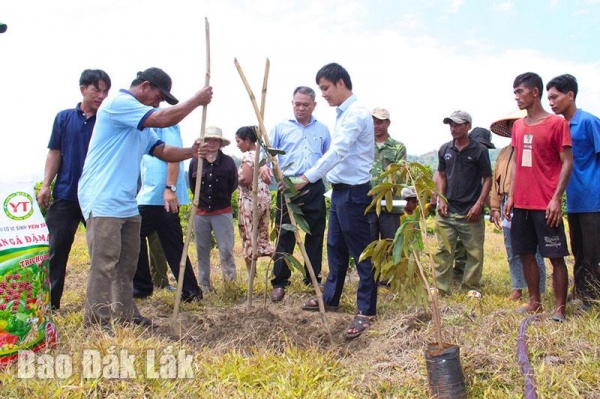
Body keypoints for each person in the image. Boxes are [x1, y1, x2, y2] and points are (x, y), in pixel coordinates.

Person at [78, 67, 213, 330]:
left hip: (127, 201)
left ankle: (126, 314)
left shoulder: (139, 124)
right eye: (158, 96)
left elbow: (162, 150)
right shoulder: (120, 103)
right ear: (145, 85)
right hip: (103, 198)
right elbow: (162, 118)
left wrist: (190, 151)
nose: (158, 102)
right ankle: (97, 323)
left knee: (127, 264)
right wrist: (196, 101)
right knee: (104, 264)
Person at [295, 63, 376, 340]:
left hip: (355, 193)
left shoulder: (356, 114)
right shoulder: (343, 114)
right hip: (340, 192)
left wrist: (306, 177)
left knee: (361, 252)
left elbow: (338, 151)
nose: (324, 95)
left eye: (325, 88)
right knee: (336, 247)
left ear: (341, 83)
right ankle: (330, 298)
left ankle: (366, 310)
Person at [37, 69, 111, 310]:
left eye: (105, 91)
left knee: (103, 252)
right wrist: (46, 185)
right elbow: (55, 152)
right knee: (55, 251)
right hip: (66, 194)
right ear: (83, 89)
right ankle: (50, 304)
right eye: (96, 89)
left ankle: (104, 305)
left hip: (97, 196)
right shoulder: (64, 118)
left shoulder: (107, 120)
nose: (101, 95)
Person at [504, 72, 572, 322]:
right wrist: (511, 196)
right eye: (514, 93)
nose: (516, 97)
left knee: (555, 256)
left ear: (535, 92)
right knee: (525, 253)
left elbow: (567, 162)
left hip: (546, 204)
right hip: (521, 203)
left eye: (520, 91)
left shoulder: (557, 123)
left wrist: (556, 198)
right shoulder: (519, 126)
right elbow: (515, 164)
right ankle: (534, 302)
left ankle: (559, 309)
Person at [269, 86, 331, 302]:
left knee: (315, 233)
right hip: (288, 187)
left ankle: (312, 278)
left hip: (314, 187)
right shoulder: (280, 127)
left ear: (314, 105)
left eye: (306, 104)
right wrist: (269, 171)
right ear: (292, 103)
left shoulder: (322, 129)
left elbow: (328, 158)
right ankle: (279, 281)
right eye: (297, 104)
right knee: (284, 235)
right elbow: (270, 157)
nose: (301, 108)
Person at [546, 73, 600, 312]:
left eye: (555, 97)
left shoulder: (588, 122)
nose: (551, 102)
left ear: (570, 95)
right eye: (548, 98)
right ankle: (581, 290)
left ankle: (589, 298)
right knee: (578, 248)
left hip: (593, 199)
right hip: (574, 200)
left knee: (591, 251)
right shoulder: (559, 127)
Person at [133, 124, 202, 302]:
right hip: (155, 194)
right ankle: (190, 290)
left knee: (133, 233)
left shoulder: (165, 124)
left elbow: (175, 155)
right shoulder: (146, 124)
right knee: (173, 245)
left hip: (158, 195)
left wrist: (170, 188)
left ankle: (142, 286)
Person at [488, 110, 547, 301]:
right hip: (506, 203)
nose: (515, 128)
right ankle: (517, 286)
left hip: (526, 202)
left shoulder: (530, 149)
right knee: (511, 248)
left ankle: (537, 289)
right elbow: (496, 181)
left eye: (517, 123)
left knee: (532, 249)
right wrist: (495, 207)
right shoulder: (504, 153)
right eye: (511, 125)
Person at [434, 110, 492, 296]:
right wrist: (441, 199)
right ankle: (441, 288)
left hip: (470, 211)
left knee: (474, 252)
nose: (453, 128)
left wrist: (479, 204)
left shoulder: (479, 151)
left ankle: (471, 287)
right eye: (451, 124)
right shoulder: (445, 149)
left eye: (458, 124)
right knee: (443, 251)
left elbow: (487, 178)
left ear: (468, 126)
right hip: (447, 210)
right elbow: (442, 175)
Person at [189, 126, 238, 292]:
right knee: (202, 250)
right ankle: (204, 285)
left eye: (215, 140)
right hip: (200, 213)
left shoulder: (228, 162)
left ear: (220, 143)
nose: (211, 143)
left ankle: (230, 285)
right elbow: (191, 184)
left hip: (222, 212)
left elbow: (233, 184)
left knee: (226, 250)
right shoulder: (196, 161)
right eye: (208, 139)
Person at [235, 126, 275, 271]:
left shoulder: (248, 156)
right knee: (263, 238)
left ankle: (252, 274)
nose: (237, 145)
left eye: (239, 141)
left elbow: (246, 179)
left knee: (248, 237)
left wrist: (232, 177)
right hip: (264, 200)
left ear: (247, 140)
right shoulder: (263, 156)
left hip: (250, 201)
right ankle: (280, 265)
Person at [368, 107, 406, 243]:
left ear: (388, 123)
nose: (375, 126)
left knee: (390, 246)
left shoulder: (398, 147)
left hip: (390, 206)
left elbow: (399, 174)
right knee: (369, 248)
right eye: (373, 122)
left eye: (379, 122)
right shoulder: (363, 145)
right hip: (368, 206)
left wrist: (379, 192)